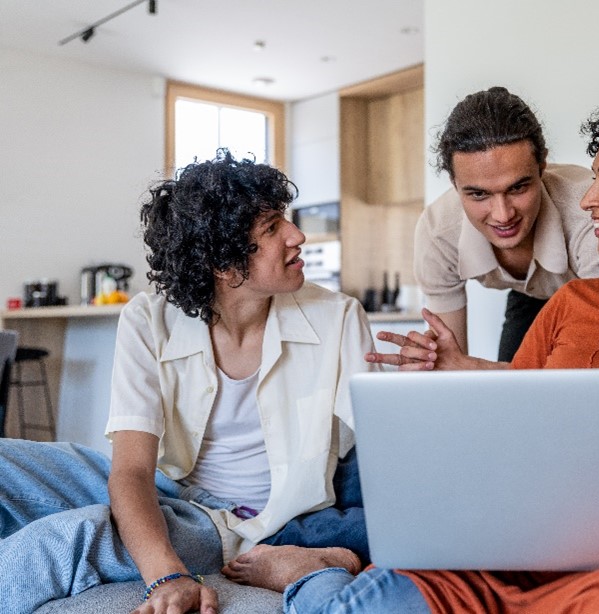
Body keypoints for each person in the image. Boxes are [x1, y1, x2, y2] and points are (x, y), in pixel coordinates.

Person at [258, 93, 599, 612]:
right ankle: (314, 573)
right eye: (592, 179)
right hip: (496, 560)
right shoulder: (573, 302)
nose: (588, 196)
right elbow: (509, 430)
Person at [0, 151, 377, 614]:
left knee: (68, 537)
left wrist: (348, 548)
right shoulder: (147, 318)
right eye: (273, 228)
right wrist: (167, 575)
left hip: (236, 524)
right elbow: (132, 471)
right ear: (222, 264)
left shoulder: (338, 317)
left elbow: (384, 456)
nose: (297, 236)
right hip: (169, 487)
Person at [410, 86, 599, 363]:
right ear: (454, 184)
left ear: (543, 164)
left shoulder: (592, 215)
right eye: (479, 194)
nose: (502, 215)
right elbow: (451, 367)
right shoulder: (437, 232)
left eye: (518, 188)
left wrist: (475, 369)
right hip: (527, 294)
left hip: (593, 292)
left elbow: (593, 367)